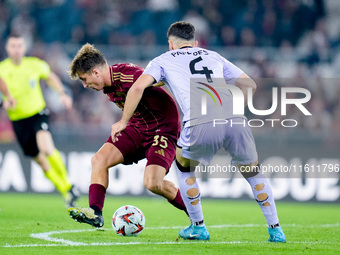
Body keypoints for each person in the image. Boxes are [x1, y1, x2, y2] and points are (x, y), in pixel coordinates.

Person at [111, 21, 286, 242]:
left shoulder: (162, 60)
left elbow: (137, 87)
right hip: (235, 120)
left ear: (171, 44)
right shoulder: (213, 56)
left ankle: (198, 227)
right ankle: (276, 230)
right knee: (252, 172)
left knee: (184, 166)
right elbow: (250, 84)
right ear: (195, 43)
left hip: (200, 121)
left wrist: (124, 121)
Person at [67, 43, 187, 228]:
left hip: (163, 126)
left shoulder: (127, 74)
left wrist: (123, 122)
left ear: (96, 72)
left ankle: (195, 214)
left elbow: (146, 84)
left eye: (84, 79)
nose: (84, 85)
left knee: (153, 183)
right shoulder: (107, 84)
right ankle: (95, 213)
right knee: (98, 160)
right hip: (139, 125)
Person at [0, 34, 79, 208]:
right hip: (18, 121)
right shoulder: (2, 70)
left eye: (19, 45)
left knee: (47, 148)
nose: (16, 49)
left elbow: (50, 77)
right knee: (42, 163)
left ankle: (69, 186)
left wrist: (62, 94)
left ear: (24, 48)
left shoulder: (34, 65)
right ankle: (66, 190)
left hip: (37, 113)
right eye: (13, 46)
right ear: (7, 48)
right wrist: (4, 102)